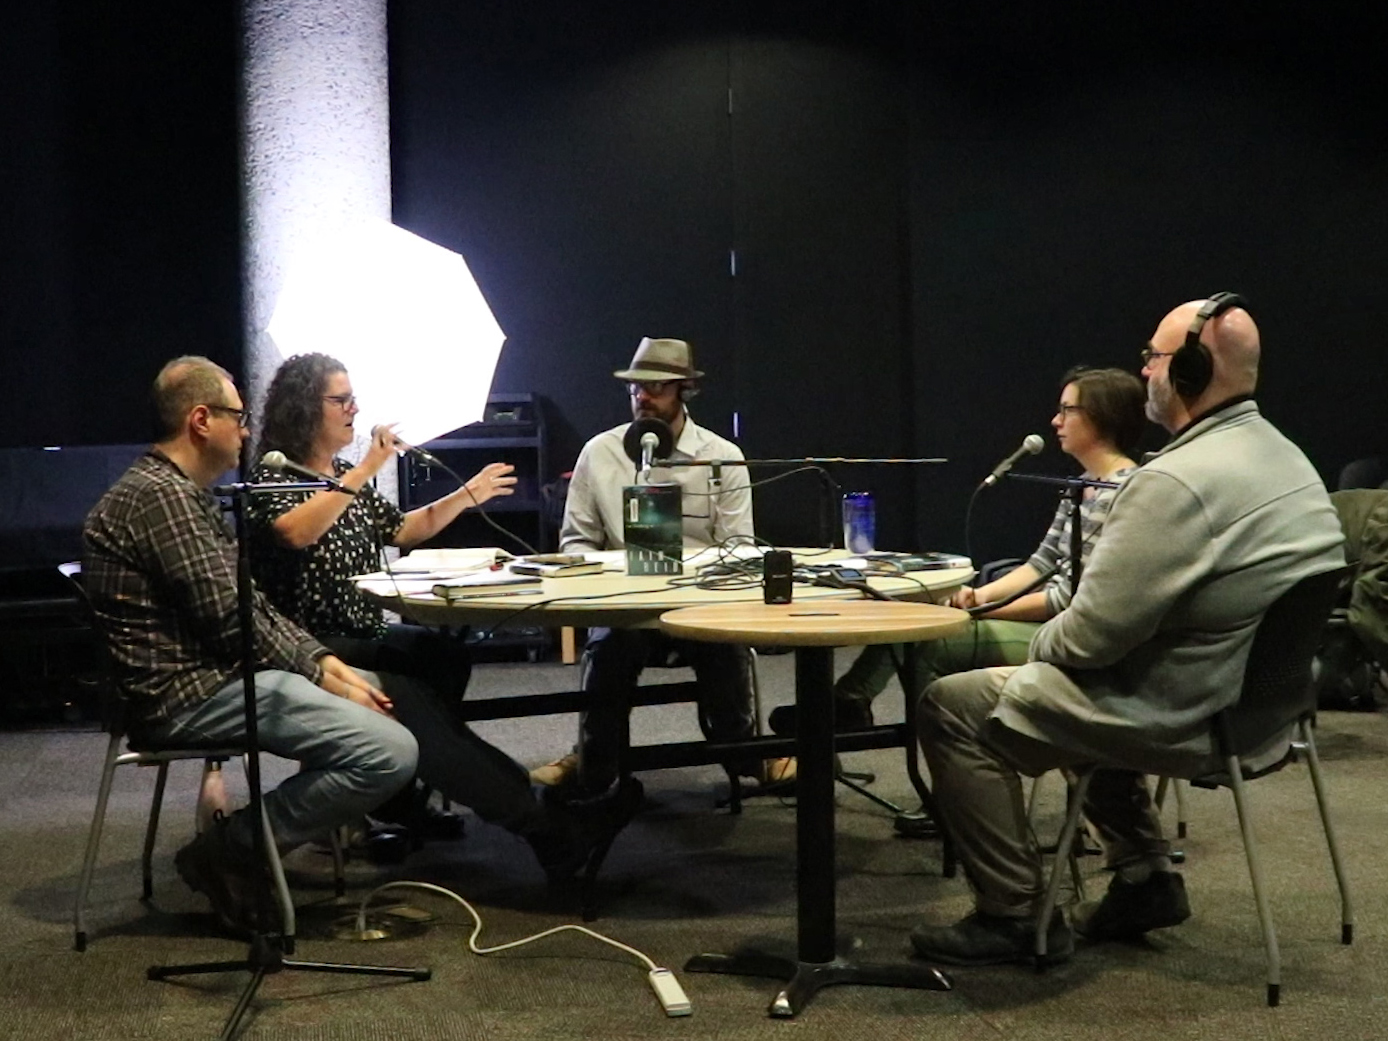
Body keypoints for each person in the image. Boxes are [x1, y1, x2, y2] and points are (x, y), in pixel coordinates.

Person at [907, 297, 1345, 968]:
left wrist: (1038, 652)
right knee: (1083, 681)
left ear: (1192, 370)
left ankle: (1015, 915)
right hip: (1263, 708)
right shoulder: (1289, 461)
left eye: (1154, 357)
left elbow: (1085, 638)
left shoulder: (1173, 481)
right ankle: (1145, 877)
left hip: (1185, 709)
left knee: (957, 704)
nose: (1145, 371)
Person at [245, 352, 628, 870]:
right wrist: (365, 470)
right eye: (342, 400)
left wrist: (464, 497)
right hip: (313, 644)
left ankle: (403, 794)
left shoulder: (339, 474)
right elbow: (296, 531)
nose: (354, 409)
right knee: (414, 710)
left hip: (361, 627)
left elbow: (403, 529)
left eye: (353, 398)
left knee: (442, 656)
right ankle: (543, 823)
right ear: (305, 408)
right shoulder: (276, 475)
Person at [82, 356, 419, 936]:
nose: (245, 430)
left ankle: (249, 849)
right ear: (199, 420)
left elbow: (251, 608)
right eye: (237, 416)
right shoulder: (158, 499)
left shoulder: (182, 493)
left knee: (381, 695)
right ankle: (232, 850)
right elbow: (235, 622)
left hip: (214, 677)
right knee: (391, 752)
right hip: (185, 695)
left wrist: (328, 664)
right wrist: (325, 675)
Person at [771, 366, 1146, 735]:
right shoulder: (1081, 485)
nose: (1055, 420)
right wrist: (977, 596)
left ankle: (943, 749)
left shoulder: (1121, 493)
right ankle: (850, 704)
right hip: (1054, 624)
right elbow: (1042, 563)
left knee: (929, 640)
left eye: (1067, 410)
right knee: (921, 619)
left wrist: (979, 609)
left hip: (1075, 642)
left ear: (1101, 416)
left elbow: (1068, 599)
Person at [532, 336, 794, 795]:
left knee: (725, 650)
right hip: (624, 606)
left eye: (657, 388)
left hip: (699, 609)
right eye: (637, 389)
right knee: (610, 649)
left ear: (684, 390)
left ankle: (745, 755)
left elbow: (740, 548)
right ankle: (594, 763)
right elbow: (576, 543)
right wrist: (618, 576)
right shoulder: (600, 453)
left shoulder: (722, 456)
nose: (644, 398)